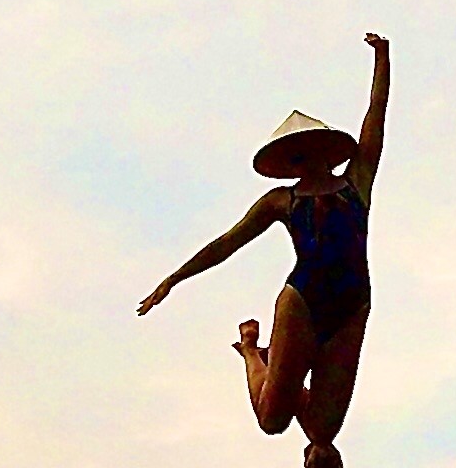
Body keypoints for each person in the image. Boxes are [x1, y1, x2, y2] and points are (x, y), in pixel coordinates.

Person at [140, 34, 390, 440]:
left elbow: (375, 115)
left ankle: (285, 370)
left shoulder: (355, 183)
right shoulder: (282, 201)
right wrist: (173, 279)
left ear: (329, 151)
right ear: (291, 162)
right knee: (272, 422)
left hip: (353, 300)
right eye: (298, 154)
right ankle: (254, 354)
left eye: (313, 149)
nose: (307, 158)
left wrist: (383, 56)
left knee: (322, 432)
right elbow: (227, 243)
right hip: (303, 300)